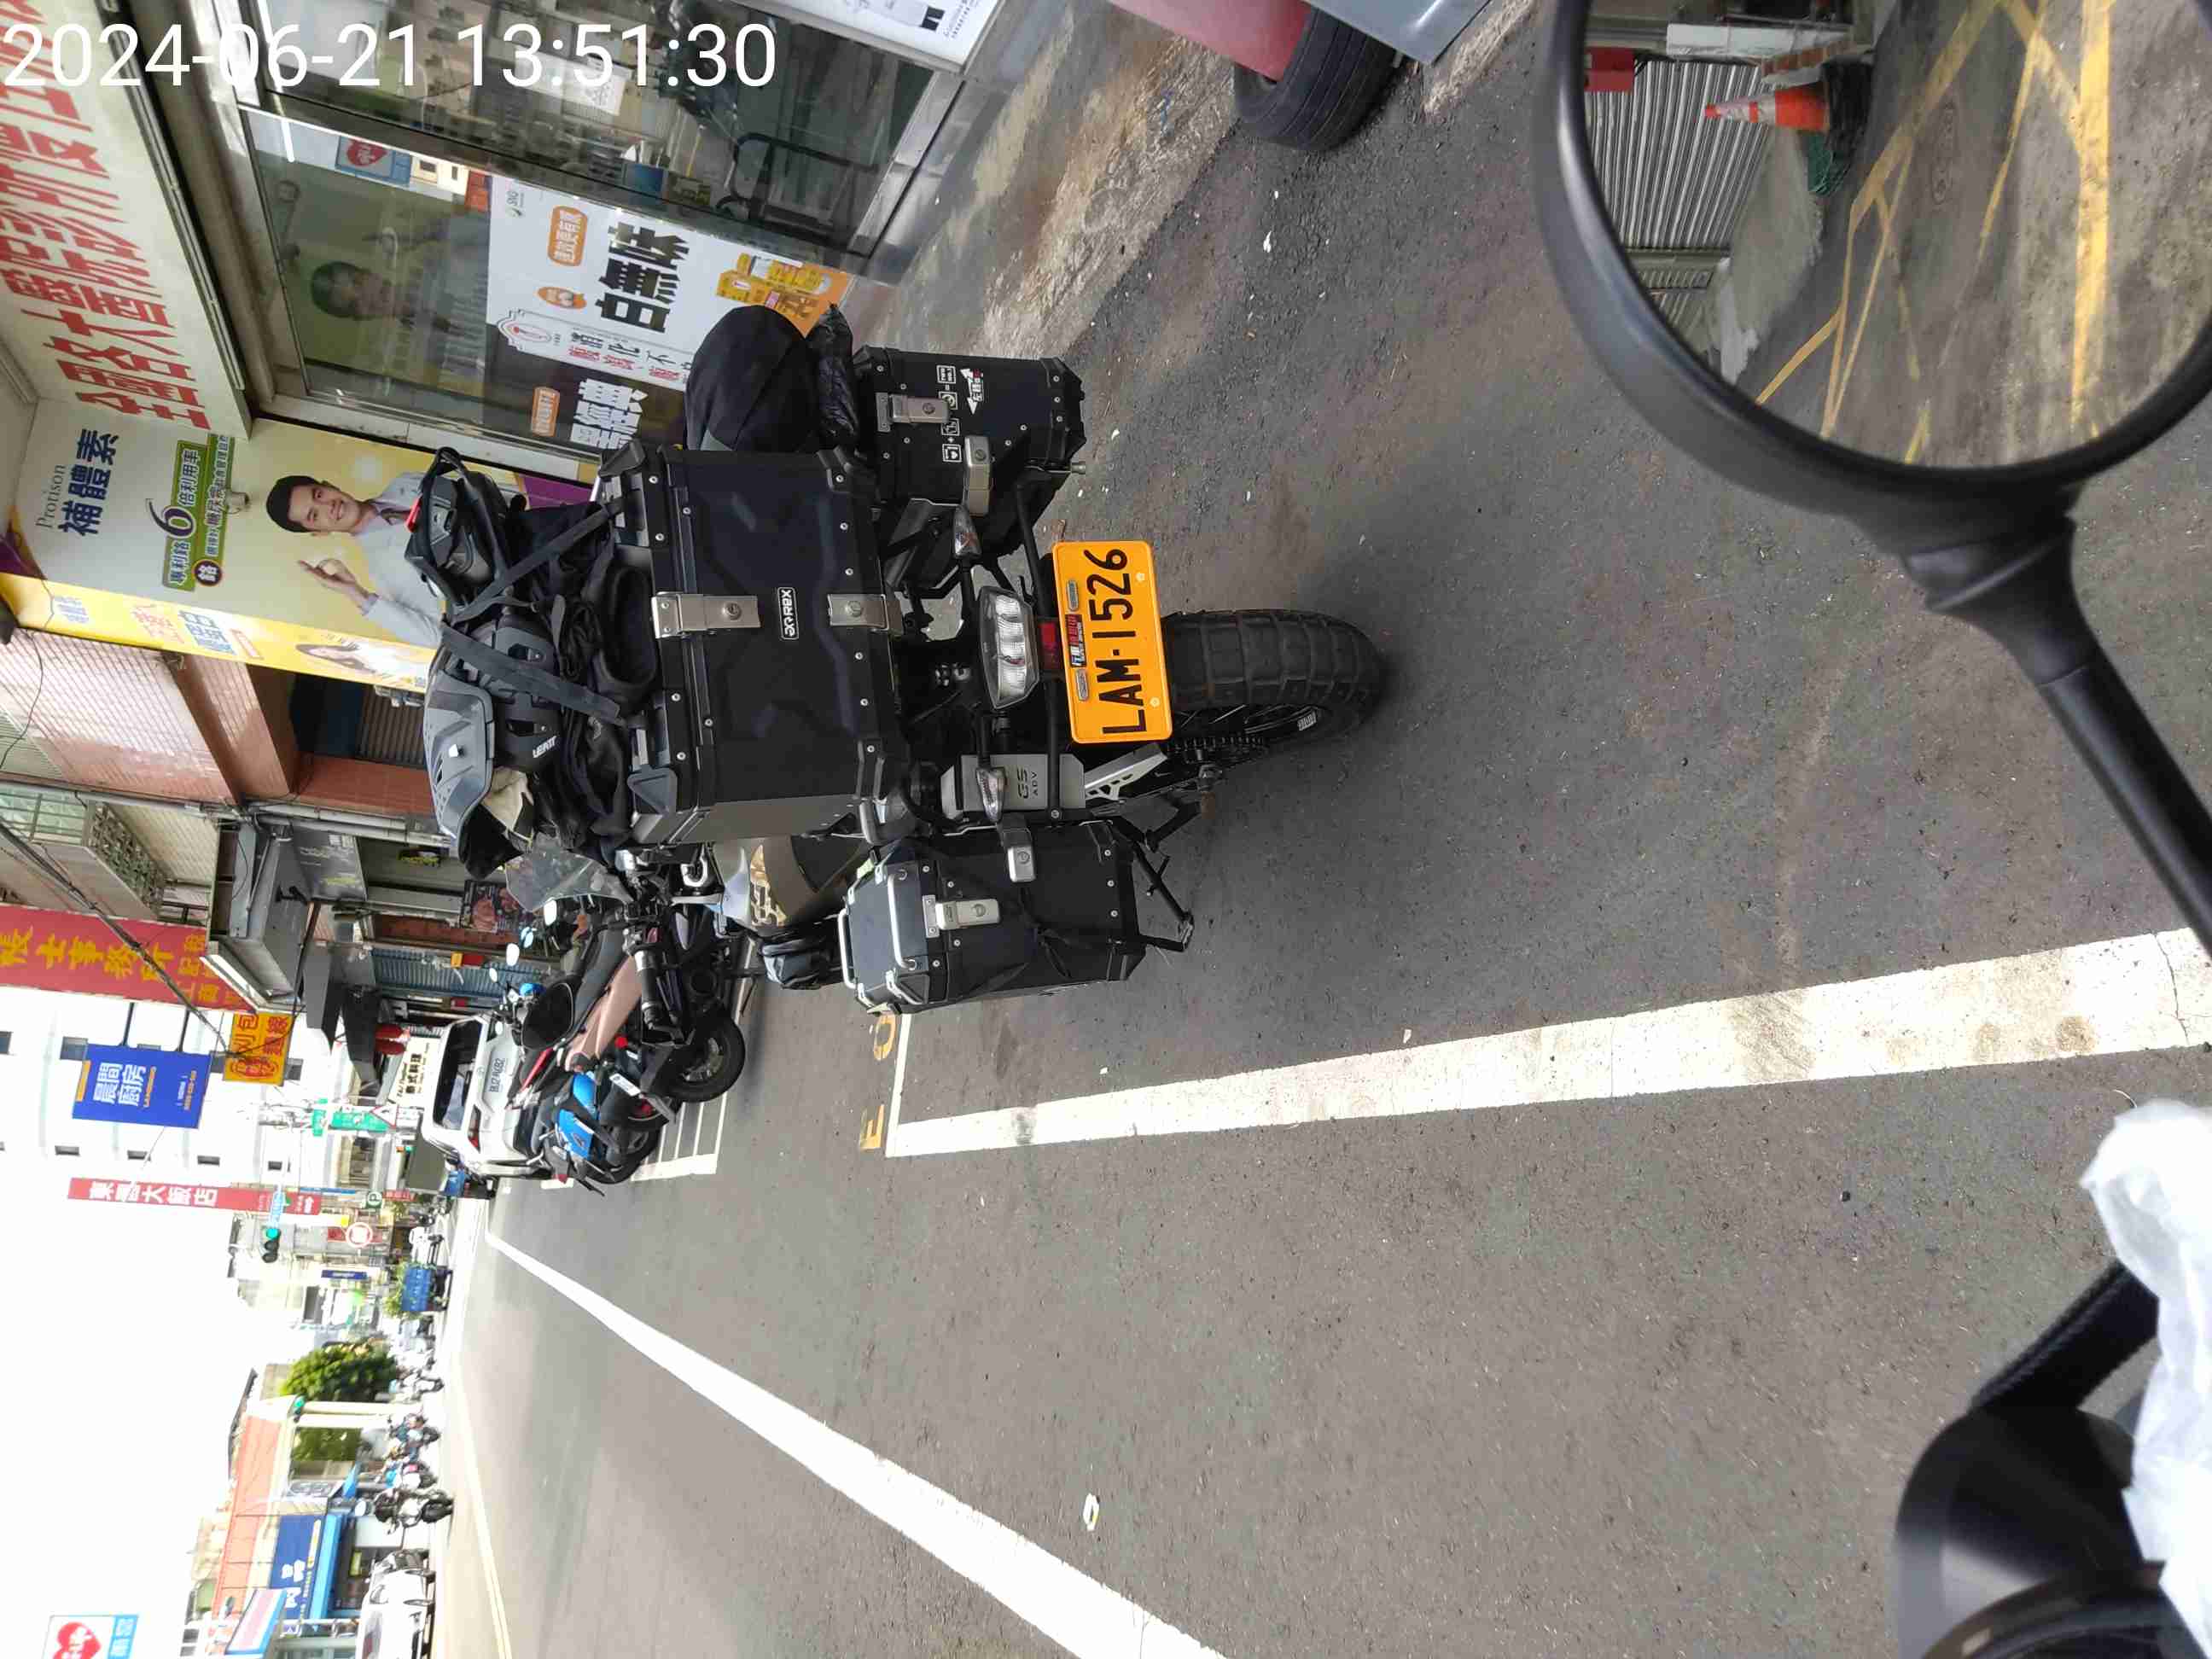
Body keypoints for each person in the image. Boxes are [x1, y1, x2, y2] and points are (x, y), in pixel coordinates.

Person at [268, 473, 445, 649]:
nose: (328, 506)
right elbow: (434, 637)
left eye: (319, 494)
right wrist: (355, 592)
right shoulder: (385, 571)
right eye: (314, 515)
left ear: (329, 485)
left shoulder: (404, 482)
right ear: (320, 532)